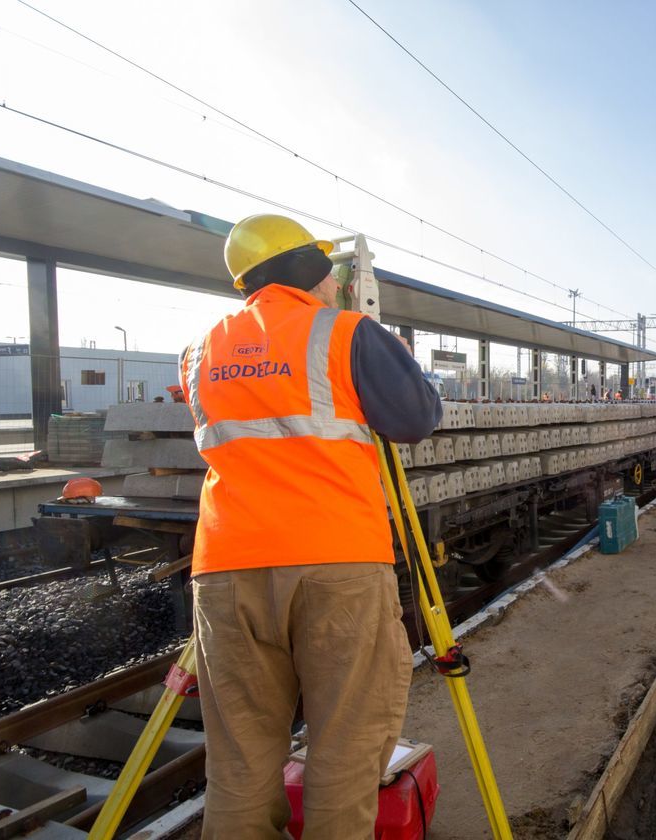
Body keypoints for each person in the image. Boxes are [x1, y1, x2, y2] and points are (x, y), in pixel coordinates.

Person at [180, 214, 442, 838]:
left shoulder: (201, 350)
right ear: (309, 270)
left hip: (225, 569)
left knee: (240, 765)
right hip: (337, 564)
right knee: (346, 754)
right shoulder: (347, 332)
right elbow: (415, 418)